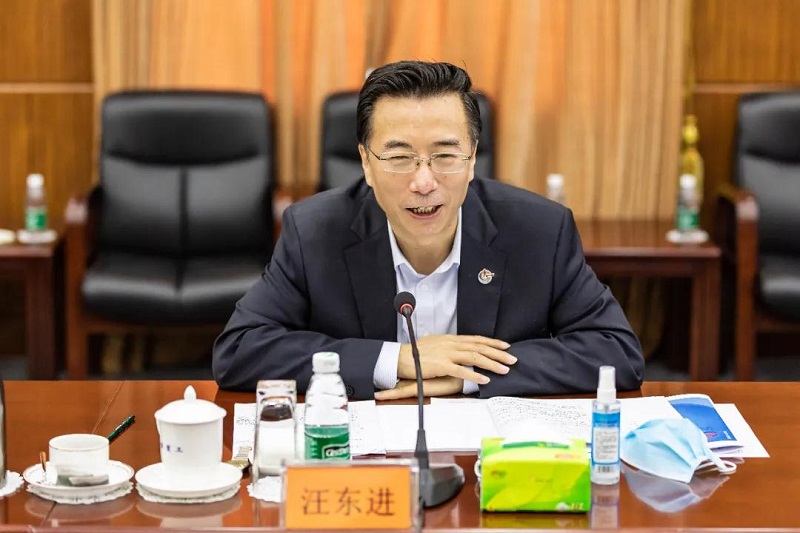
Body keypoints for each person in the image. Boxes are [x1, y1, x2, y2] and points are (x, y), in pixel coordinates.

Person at [213, 60, 644, 400]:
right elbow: (240, 351)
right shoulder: (315, 232)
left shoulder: (539, 230)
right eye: (399, 157)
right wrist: (397, 360)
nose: (424, 182)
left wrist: (468, 372)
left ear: (472, 158)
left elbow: (616, 351)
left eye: (445, 156)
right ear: (366, 163)